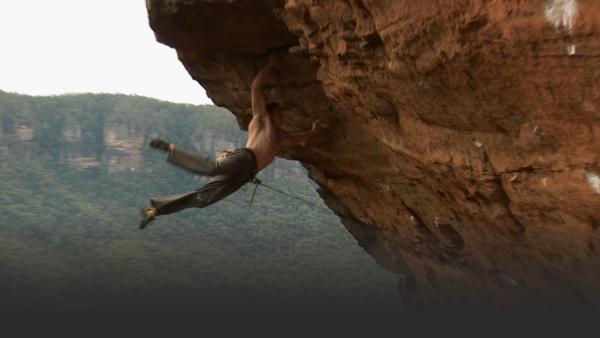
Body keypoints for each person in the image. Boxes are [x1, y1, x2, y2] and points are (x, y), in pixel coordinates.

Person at [139, 53, 321, 229]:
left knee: (204, 199)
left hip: (245, 174)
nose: (282, 118)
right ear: (271, 113)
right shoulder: (261, 120)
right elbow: (256, 88)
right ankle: (171, 149)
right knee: (211, 168)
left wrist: (313, 131)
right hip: (244, 159)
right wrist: (271, 65)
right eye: (279, 114)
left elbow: (298, 139)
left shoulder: (280, 137)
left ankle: (155, 210)